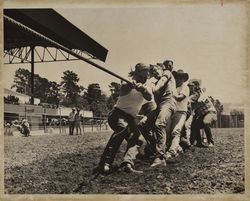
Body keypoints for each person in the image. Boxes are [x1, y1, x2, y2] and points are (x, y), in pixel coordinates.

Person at [94, 63, 152, 174]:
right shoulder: (127, 81)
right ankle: (105, 163)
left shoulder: (146, 85)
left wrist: (143, 89)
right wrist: (132, 85)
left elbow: (149, 96)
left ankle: (127, 163)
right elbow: (124, 89)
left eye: (146, 77)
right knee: (122, 129)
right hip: (117, 115)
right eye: (141, 77)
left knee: (138, 138)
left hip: (130, 118)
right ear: (136, 73)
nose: (144, 79)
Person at [139, 63, 177, 167]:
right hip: (160, 106)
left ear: (162, 69)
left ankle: (160, 157)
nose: (155, 73)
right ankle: (154, 146)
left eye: (156, 70)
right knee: (142, 124)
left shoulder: (167, 73)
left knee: (159, 124)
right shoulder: (155, 82)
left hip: (169, 102)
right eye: (153, 72)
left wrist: (155, 88)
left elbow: (161, 83)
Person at [165, 69, 190, 159]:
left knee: (176, 131)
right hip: (171, 112)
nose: (179, 79)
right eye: (177, 77)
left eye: (181, 77)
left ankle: (171, 152)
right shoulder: (173, 87)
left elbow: (180, 98)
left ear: (184, 79)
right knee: (167, 132)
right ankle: (178, 148)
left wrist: (171, 95)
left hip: (181, 112)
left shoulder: (185, 87)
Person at [191, 83, 217, 147]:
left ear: (199, 91)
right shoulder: (195, 98)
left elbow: (199, 101)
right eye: (195, 91)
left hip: (211, 113)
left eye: (197, 91)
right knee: (194, 125)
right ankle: (199, 142)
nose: (195, 93)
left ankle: (211, 142)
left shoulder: (203, 96)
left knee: (206, 122)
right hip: (203, 115)